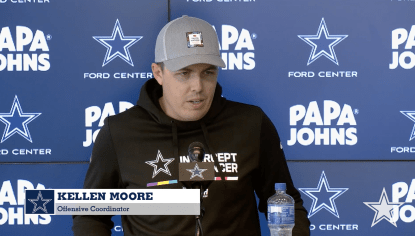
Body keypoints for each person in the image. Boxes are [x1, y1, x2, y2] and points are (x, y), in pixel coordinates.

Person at [72, 15, 310, 236]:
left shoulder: (251, 123)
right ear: (159, 73)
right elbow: (90, 214)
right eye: (184, 73)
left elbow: (284, 200)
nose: (198, 86)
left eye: (208, 72)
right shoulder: (120, 132)